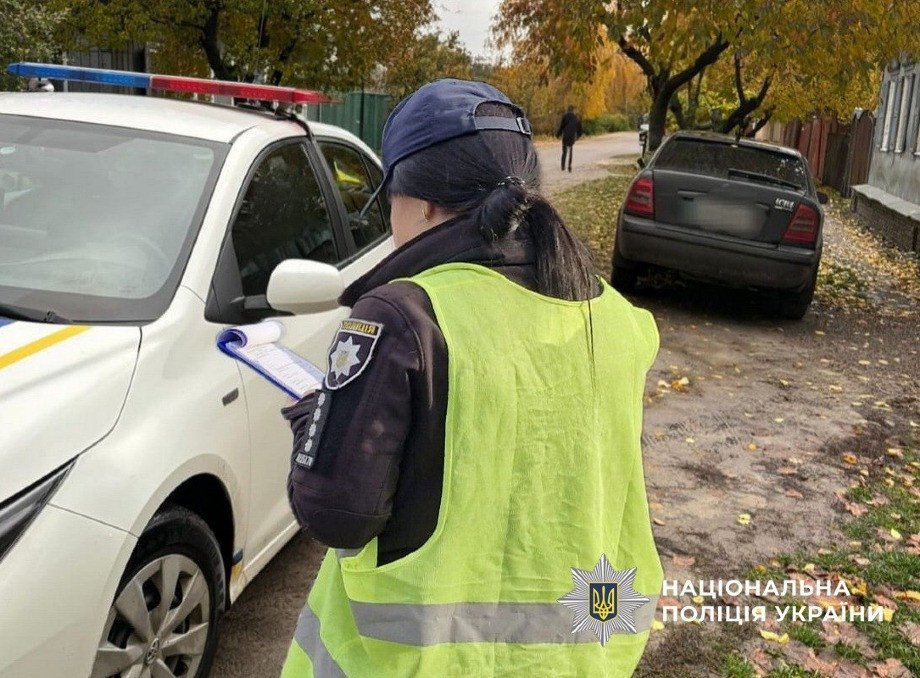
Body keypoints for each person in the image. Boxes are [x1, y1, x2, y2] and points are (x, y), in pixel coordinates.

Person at [280, 79, 662, 677]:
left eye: (393, 201)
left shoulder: (403, 318)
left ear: (424, 204)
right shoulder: (615, 317)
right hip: (578, 657)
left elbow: (336, 515)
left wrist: (315, 421)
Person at [556, 104, 582, 172]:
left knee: (564, 151)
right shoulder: (576, 117)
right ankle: (569, 166)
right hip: (572, 135)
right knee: (570, 150)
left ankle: (563, 166)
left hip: (566, 135)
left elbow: (562, 126)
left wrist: (558, 134)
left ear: (568, 110)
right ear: (573, 110)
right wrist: (579, 135)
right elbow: (579, 127)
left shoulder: (565, 116)